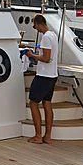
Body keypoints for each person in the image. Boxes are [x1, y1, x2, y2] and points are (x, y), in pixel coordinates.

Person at [25, 14, 59, 144]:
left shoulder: (45, 37)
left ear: (39, 24)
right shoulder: (53, 35)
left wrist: (31, 55)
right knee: (47, 103)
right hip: (52, 75)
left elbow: (46, 58)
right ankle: (47, 136)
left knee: (33, 103)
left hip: (44, 76)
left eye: (35, 26)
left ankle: (38, 136)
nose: (36, 29)